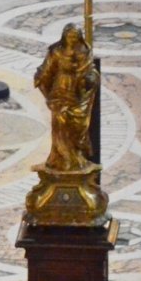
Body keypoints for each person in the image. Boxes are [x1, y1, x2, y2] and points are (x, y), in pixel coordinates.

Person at [34, 23, 99, 173]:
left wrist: (91, 78)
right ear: (64, 36)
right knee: (61, 123)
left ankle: (77, 156)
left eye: (75, 36)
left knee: (78, 125)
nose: (72, 38)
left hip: (78, 93)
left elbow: (92, 71)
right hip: (60, 91)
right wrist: (43, 84)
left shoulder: (84, 51)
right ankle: (63, 159)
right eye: (69, 36)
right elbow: (47, 71)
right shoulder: (56, 51)